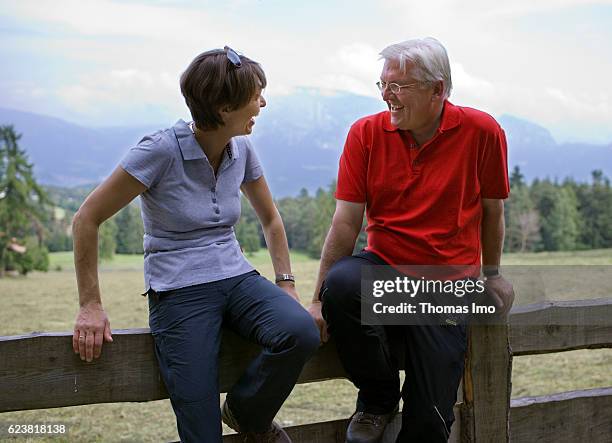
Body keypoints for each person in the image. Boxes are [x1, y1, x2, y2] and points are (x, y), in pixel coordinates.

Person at [72, 46, 320, 443]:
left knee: (301, 332)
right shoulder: (160, 150)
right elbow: (86, 218)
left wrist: (286, 283)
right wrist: (90, 305)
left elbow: (271, 219)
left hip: (236, 276)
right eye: (256, 95)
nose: (263, 102)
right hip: (178, 289)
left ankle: (245, 412)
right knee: (200, 429)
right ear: (224, 108)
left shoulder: (242, 149)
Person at [307, 37, 515, 443]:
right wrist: (317, 300)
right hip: (384, 268)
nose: (388, 95)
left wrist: (492, 274)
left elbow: (493, 212)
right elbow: (346, 223)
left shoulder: (482, 131)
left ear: (438, 89)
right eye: (383, 84)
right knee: (343, 285)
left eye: (399, 85)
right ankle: (378, 399)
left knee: (431, 423)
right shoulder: (364, 134)